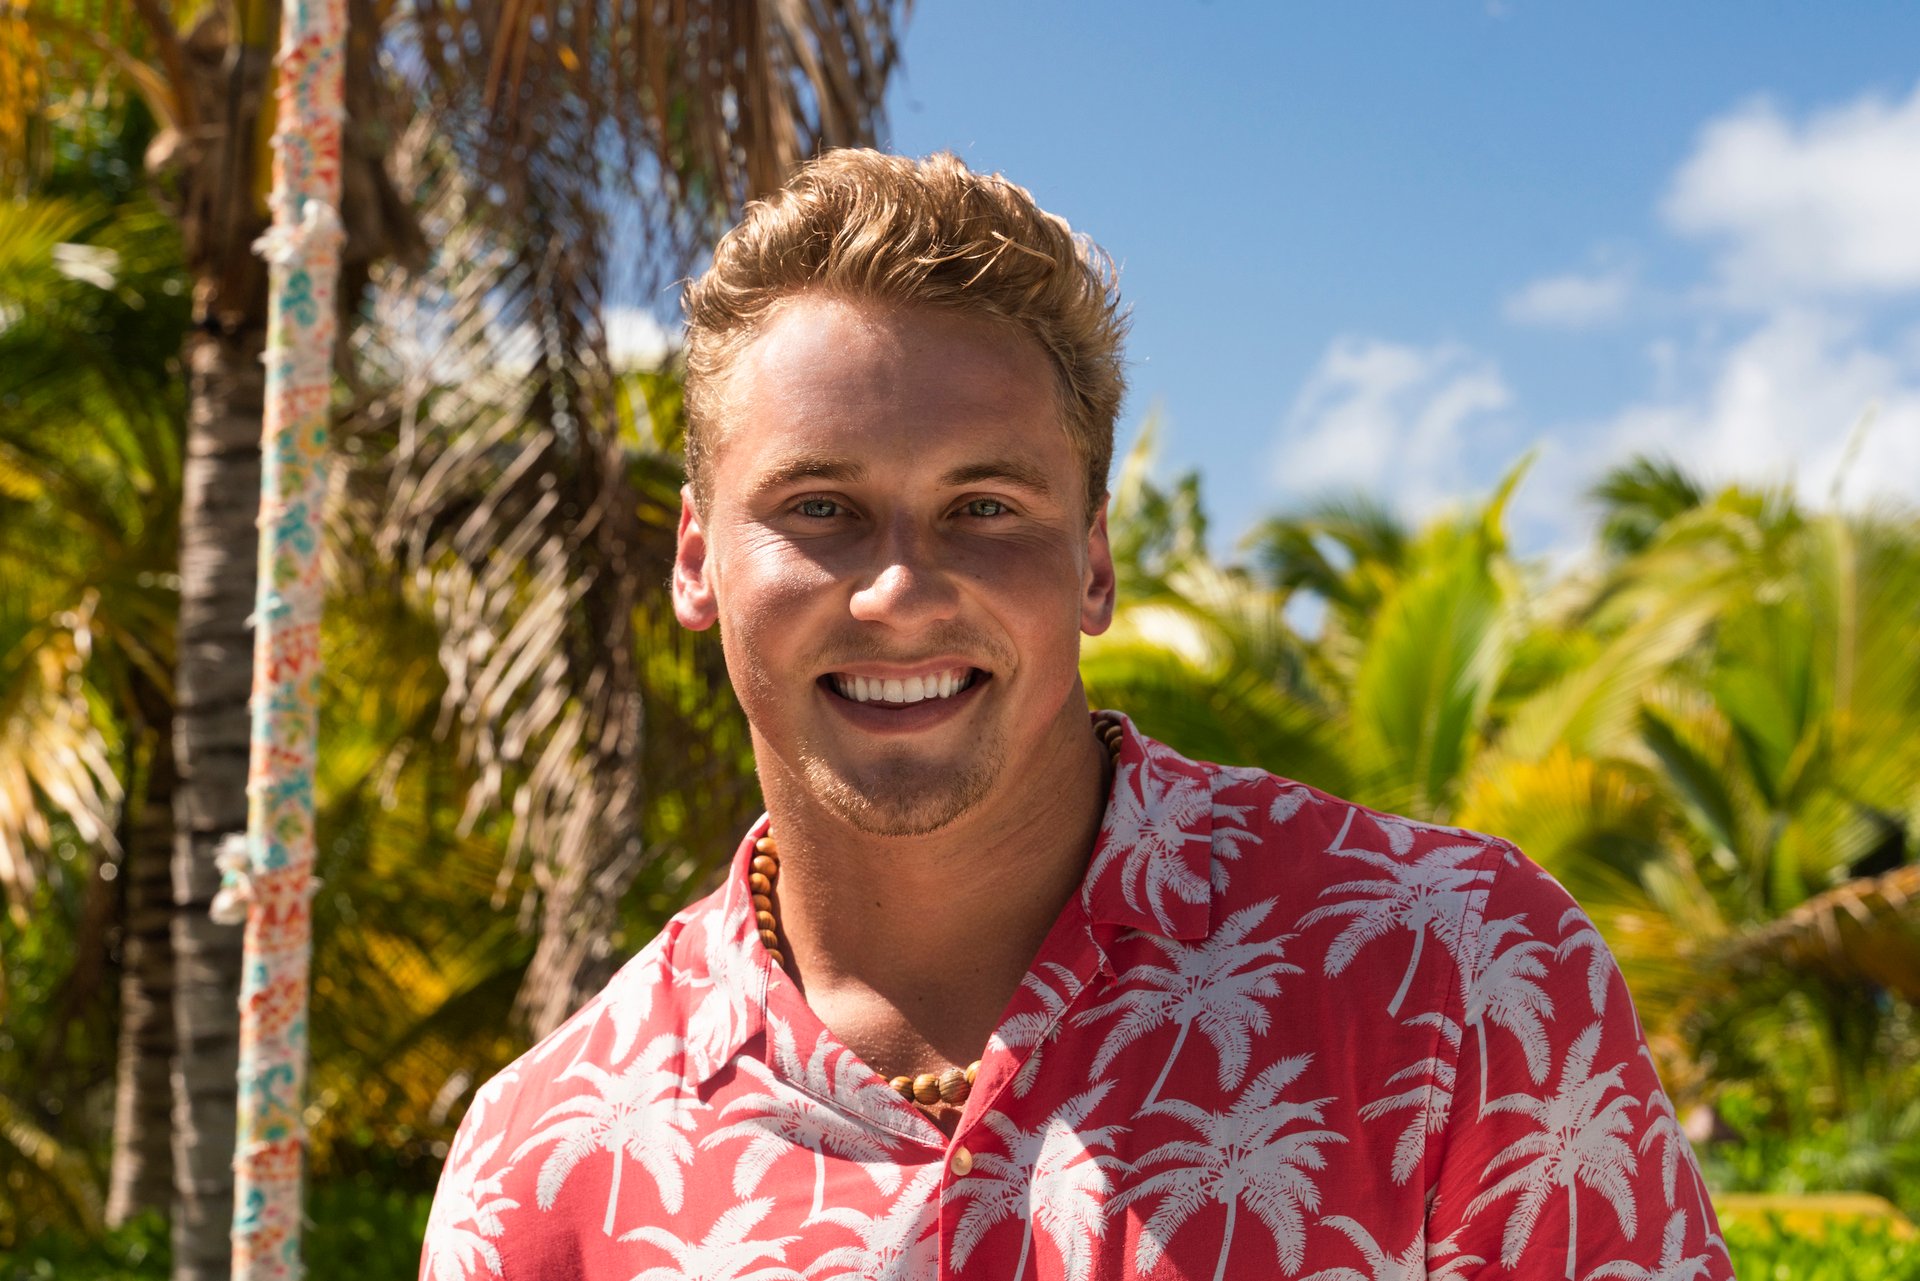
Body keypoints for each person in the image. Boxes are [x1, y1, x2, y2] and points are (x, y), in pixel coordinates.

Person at [420, 150, 1734, 1281]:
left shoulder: (1454, 977)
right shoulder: (551, 1166)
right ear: (697, 557)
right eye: (818, 506)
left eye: (985, 508)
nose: (898, 590)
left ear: (1094, 561)